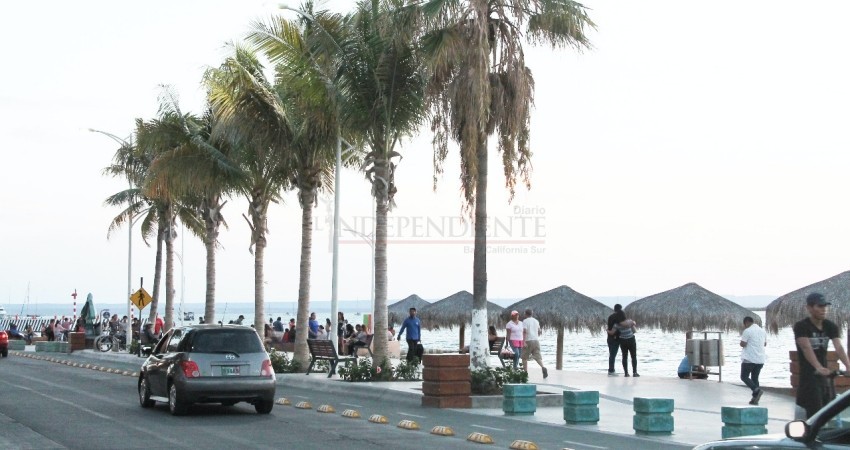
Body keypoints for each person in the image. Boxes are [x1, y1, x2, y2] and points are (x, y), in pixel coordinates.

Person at [794, 292, 850, 419]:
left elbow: (839, 347)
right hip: (809, 377)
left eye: (825, 306)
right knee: (814, 413)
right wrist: (818, 367)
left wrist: (848, 365)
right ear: (809, 308)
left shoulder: (830, 326)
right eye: (819, 306)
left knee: (830, 410)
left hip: (825, 377)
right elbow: (806, 347)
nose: (824, 309)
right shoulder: (801, 326)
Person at [740, 316, 767, 405]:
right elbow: (765, 344)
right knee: (755, 378)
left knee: (744, 376)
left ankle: (756, 390)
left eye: (744, 324)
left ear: (746, 322)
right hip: (760, 359)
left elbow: (743, 344)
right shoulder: (763, 331)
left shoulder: (747, 331)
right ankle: (755, 399)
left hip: (749, 359)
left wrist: (742, 343)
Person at [522, 309, 548, 378]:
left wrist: (523, 341)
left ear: (525, 314)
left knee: (524, 358)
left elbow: (524, 331)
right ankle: (543, 367)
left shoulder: (525, 321)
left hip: (528, 340)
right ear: (532, 314)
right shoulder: (536, 321)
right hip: (536, 341)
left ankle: (525, 373)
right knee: (537, 356)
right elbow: (539, 331)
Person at [613, 309, 639, 377]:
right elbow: (634, 323)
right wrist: (633, 322)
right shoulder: (629, 321)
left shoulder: (616, 324)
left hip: (622, 340)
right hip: (631, 339)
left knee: (624, 356)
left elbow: (614, 332)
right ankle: (635, 373)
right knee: (633, 356)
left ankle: (626, 373)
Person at [606, 305, 622, 376]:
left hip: (609, 338)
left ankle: (611, 369)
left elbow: (609, 327)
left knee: (611, 354)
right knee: (613, 355)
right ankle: (611, 370)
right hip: (615, 338)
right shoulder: (618, 317)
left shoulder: (610, 317)